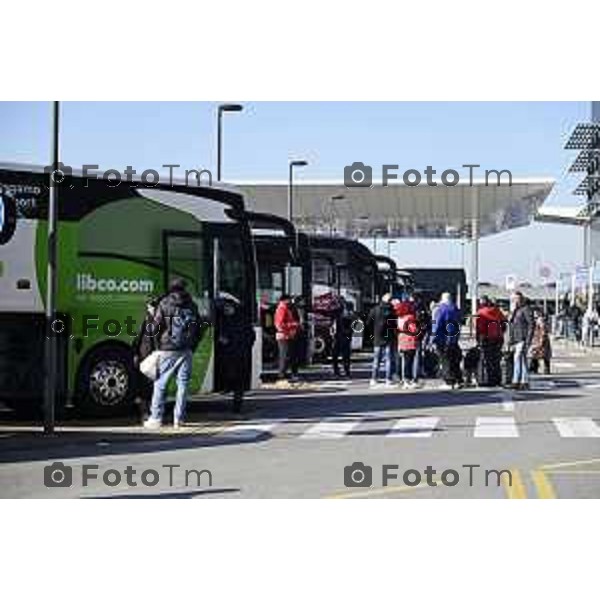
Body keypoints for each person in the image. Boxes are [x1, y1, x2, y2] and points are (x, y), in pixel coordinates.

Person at [144, 279, 202, 430]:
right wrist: (192, 347)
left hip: (168, 348)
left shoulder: (164, 303)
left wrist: (150, 314)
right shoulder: (192, 304)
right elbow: (199, 329)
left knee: (160, 383)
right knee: (182, 384)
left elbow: (154, 328)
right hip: (186, 350)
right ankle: (179, 419)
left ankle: (156, 418)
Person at [214, 292, 256, 412]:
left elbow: (251, 337)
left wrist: (236, 343)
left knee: (239, 382)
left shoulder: (241, 320)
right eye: (225, 309)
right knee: (233, 377)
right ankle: (231, 393)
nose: (226, 311)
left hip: (240, 355)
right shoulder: (224, 319)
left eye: (228, 308)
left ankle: (237, 405)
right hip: (230, 355)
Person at [431, 292, 463, 389]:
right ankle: (458, 380)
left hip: (443, 338)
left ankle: (449, 382)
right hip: (453, 338)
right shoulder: (456, 309)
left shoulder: (441, 310)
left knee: (445, 360)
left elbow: (436, 324)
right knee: (454, 360)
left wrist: (432, 338)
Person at [475, 296, 506, 386]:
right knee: (496, 360)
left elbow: (480, 328)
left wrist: (478, 339)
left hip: (486, 338)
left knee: (486, 359)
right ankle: (497, 379)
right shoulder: (497, 311)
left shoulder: (481, 312)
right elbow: (504, 324)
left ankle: (486, 380)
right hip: (498, 338)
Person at [508, 291, 534, 390]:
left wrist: (528, 340)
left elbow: (531, 325)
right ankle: (523, 381)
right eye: (513, 299)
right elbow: (511, 324)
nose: (515, 301)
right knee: (521, 360)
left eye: (517, 299)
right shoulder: (515, 310)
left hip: (522, 338)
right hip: (516, 339)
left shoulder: (526, 309)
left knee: (518, 358)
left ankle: (517, 381)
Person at [368, 292, 395, 386]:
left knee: (376, 359)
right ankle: (388, 379)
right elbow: (394, 325)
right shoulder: (392, 311)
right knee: (388, 360)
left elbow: (369, 323)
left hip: (377, 337)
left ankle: (374, 378)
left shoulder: (375, 310)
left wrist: (371, 335)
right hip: (389, 337)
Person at [274, 294, 302, 381]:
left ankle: (285, 374)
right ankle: (282, 375)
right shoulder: (282, 308)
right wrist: (294, 324)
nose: (291, 301)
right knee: (285, 356)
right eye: (289, 299)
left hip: (288, 335)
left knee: (288, 356)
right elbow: (279, 324)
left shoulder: (286, 308)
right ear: (285, 300)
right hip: (284, 336)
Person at [397, 300, 421, 389]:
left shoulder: (400, 318)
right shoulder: (410, 318)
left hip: (402, 340)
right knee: (409, 361)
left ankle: (404, 379)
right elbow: (414, 330)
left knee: (404, 361)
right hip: (410, 341)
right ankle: (408, 380)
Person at [331, 299, 355, 378]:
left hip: (341, 335)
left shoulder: (342, 312)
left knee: (340, 355)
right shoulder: (339, 312)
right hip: (341, 335)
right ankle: (343, 371)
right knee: (343, 355)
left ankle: (340, 371)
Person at [529, 308, 552, 375]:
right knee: (537, 353)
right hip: (537, 338)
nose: (535, 314)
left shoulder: (540, 320)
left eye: (536, 313)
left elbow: (543, 329)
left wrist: (542, 338)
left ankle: (541, 368)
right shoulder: (537, 320)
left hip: (540, 338)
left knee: (540, 353)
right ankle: (536, 368)